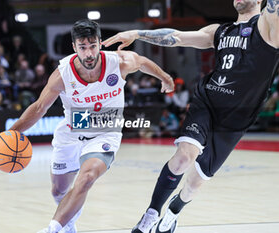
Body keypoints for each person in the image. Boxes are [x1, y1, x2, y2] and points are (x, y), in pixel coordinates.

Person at [102, 1, 279, 233]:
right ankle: (151, 214)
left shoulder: (268, 27)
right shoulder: (220, 31)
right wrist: (137, 33)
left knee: (196, 181)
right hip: (207, 101)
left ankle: (175, 209)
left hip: (236, 117)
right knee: (184, 157)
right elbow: (176, 36)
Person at [8, 19, 174, 233]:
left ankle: (52, 229)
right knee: (58, 191)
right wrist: (11, 134)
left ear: (100, 43)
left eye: (93, 46)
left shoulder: (119, 62)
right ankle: (69, 225)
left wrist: (165, 78)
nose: (89, 54)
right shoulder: (63, 74)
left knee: (86, 178)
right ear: (74, 47)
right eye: (83, 48)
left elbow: (142, 61)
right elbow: (40, 107)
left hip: (106, 131)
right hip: (71, 131)